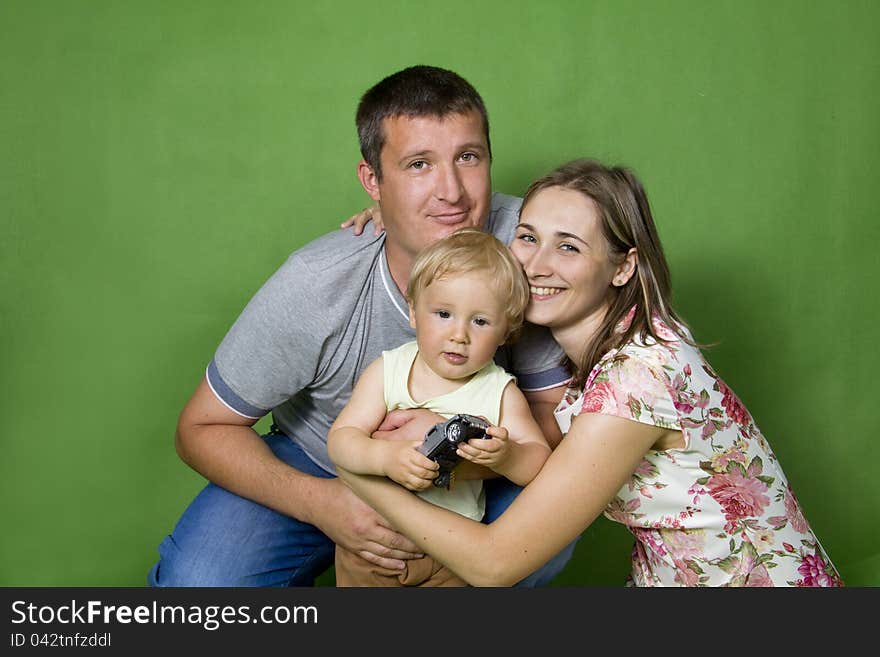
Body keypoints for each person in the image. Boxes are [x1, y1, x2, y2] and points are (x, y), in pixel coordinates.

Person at [148, 65, 576, 587]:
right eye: (419, 164)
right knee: (200, 583)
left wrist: (451, 454)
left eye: (468, 157)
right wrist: (325, 504)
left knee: (552, 522)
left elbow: (559, 417)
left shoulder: (528, 247)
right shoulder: (316, 285)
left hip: (476, 468)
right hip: (321, 458)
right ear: (373, 181)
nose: (452, 193)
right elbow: (199, 429)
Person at [336, 158, 844, 587]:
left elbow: (495, 564)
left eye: (569, 247)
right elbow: (476, 254)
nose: (536, 265)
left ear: (623, 267)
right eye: (528, 238)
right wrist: (396, 216)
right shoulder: (641, 334)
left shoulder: (637, 379)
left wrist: (363, 473)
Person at [329, 229, 551, 586]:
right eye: (443, 313)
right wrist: (385, 458)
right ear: (413, 311)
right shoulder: (389, 371)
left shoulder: (500, 392)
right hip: (374, 544)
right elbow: (340, 440)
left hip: (454, 553)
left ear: (506, 331)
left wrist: (507, 456)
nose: (458, 335)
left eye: (480, 321)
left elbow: (538, 460)